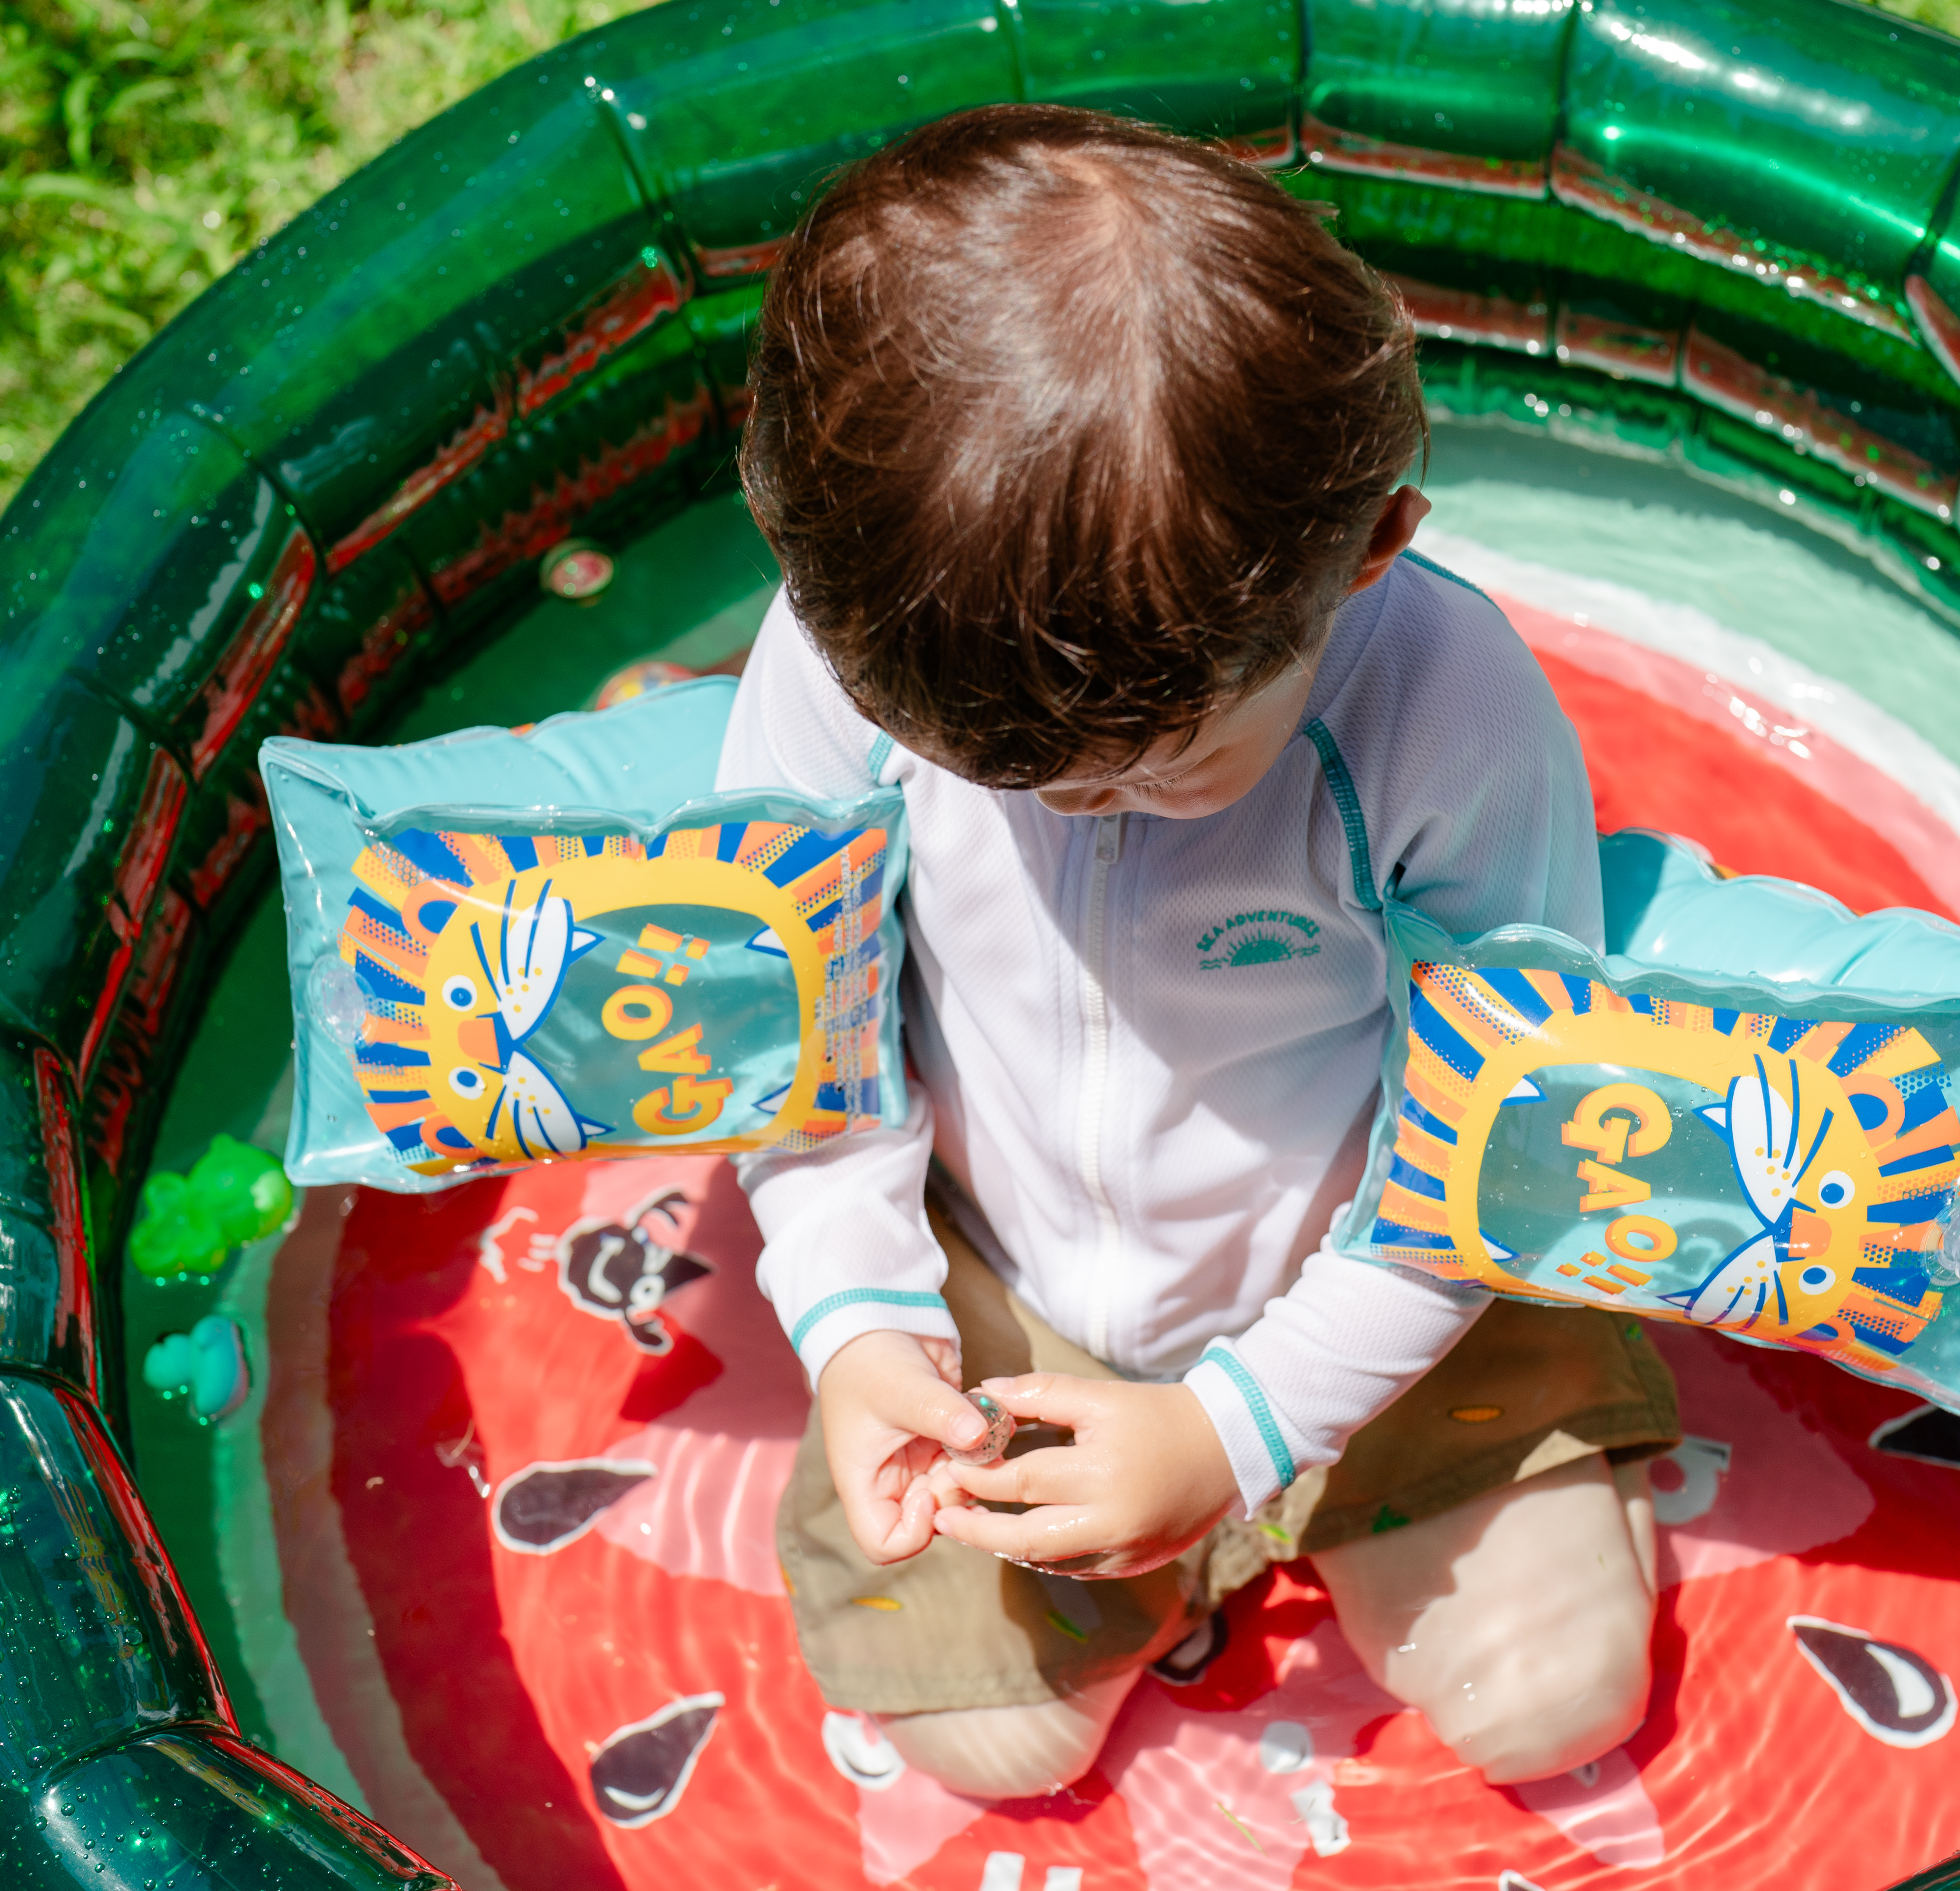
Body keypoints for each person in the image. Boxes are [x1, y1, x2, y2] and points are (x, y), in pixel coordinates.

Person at [717, 102, 1679, 1801]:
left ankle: (1329, 1488)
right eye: (1006, 775)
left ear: (1372, 548)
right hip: (1006, 1278)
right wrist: (862, 1323)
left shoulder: (1441, 711)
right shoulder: (856, 653)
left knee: (1561, 1703)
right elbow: (801, 1028)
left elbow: (1498, 1136)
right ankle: (1188, 1525)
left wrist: (1245, 1426)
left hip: (1375, 1266)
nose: (1088, 804)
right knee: (991, 1745)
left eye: (1162, 762)